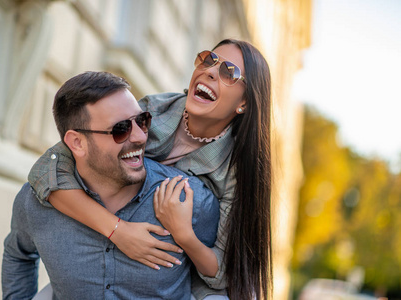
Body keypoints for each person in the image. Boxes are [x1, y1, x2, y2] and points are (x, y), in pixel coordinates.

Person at [28, 38, 272, 300]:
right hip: (115, 255)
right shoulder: (150, 111)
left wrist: (184, 234)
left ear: (244, 104)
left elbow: (223, 272)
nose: (210, 71)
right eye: (209, 59)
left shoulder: (237, 169)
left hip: (185, 276)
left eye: (229, 73)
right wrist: (117, 230)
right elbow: (47, 170)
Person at [2, 71, 220, 300]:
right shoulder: (35, 203)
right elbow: (18, 254)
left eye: (141, 121)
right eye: (121, 129)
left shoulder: (191, 200)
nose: (139, 137)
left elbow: (222, 283)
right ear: (77, 143)